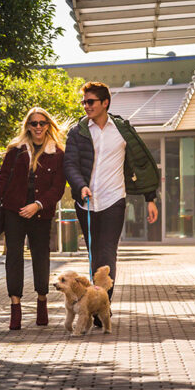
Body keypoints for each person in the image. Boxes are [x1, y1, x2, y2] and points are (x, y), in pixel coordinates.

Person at [64, 81, 159, 326]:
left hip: (114, 199)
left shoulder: (122, 130)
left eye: (91, 102)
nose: (86, 106)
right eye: (84, 102)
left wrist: (150, 198)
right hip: (86, 202)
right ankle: (96, 303)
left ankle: (102, 307)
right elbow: (71, 165)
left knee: (107, 255)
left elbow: (142, 162)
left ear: (105, 103)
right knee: (95, 255)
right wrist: (79, 186)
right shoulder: (78, 131)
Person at [0, 107, 66, 330]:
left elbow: (57, 189)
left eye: (42, 123)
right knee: (14, 259)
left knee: (41, 258)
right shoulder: (15, 151)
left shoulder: (57, 154)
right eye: (34, 123)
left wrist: (37, 206)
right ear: (27, 126)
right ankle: (15, 308)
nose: (38, 127)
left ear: (49, 125)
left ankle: (42, 301)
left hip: (41, 214)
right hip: (13, 212)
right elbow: (3, 179)